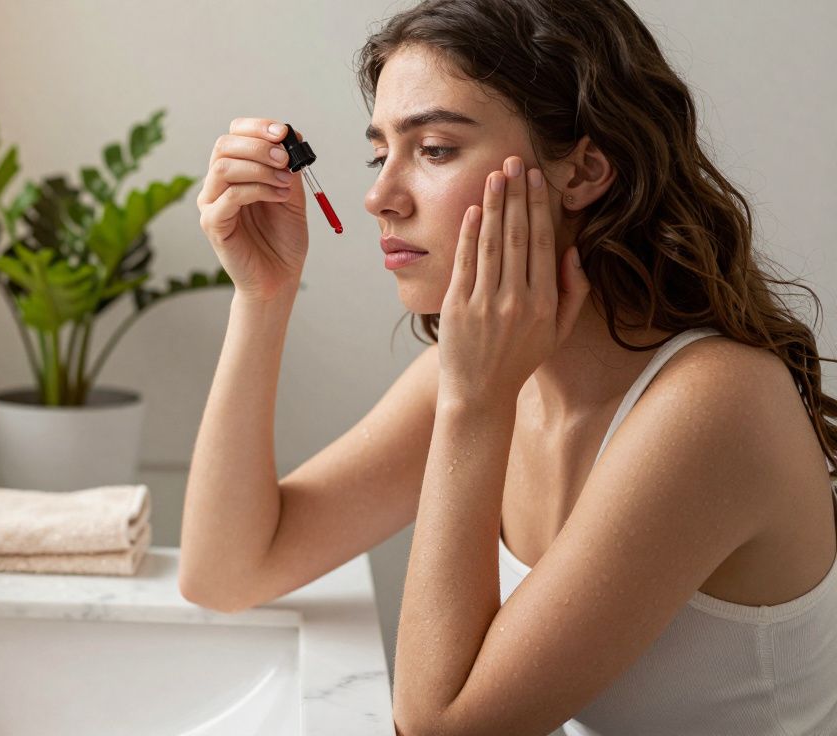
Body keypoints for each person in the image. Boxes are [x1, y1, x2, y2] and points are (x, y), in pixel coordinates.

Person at [180, 0, 837, 734]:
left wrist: (474, 404)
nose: (379, 197)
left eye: (432, 149)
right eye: (379, 153)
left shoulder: (716, 403)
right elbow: (226, 572)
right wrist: (263, 296)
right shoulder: (486, 378)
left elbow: (439, 728)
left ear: (583, 170)